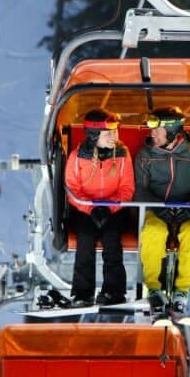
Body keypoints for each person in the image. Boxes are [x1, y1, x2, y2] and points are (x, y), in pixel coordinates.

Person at [134, 106, 190, 316]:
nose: (152, 133)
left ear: (173, 132)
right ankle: (154, 288)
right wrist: (158, 208)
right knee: (154, 233)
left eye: (157, 129)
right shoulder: (145, 155)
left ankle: (181, 291)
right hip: (154, 211)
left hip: (186, 211)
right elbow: (140, 190)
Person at [64, 108, 135, 306]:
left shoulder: (122, 154)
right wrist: (90, 209)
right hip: (84, 209)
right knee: (85, 239)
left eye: (115, 131)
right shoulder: (77, 157)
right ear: (94, 135)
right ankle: (82, 293)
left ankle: (114, 291)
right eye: (108, 133)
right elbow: (72, 189)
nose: (114, 137)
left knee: (112, 239)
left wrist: (110, 208)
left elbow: (127, 187)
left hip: (115, 209)